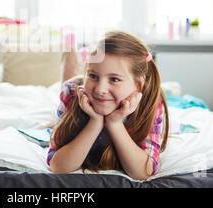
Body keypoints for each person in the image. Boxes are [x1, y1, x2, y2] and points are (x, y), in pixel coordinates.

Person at [47, 30, 169, 181]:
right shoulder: (72, 91)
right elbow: (58, 166)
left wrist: (115, 123)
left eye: (115, 79)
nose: (100, 89)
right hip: (78, 87)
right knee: (71, 79)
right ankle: (70, 53)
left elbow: (143, 172)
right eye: (93, 76)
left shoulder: (151, 101)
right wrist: (95, 122)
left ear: (138, 84)